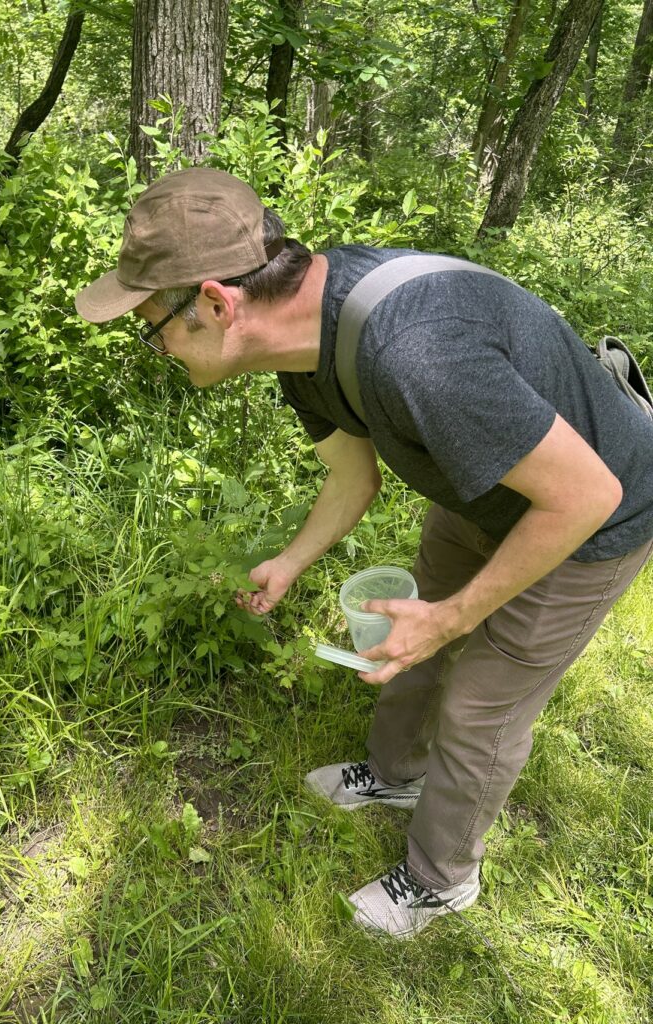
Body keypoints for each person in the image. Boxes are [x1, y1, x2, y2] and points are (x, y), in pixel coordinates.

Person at [75, 167, 653, 939]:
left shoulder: (416, 352)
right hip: (481, 490)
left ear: (216, 302)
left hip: (595, 515)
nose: (155, 346)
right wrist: (292, 560)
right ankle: (394, 776)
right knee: (405, 639)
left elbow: (585, 497)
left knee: (483, 700)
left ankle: (441, 880)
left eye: (153, 326)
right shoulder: (304, 345)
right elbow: (354, 477)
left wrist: (451, 619)